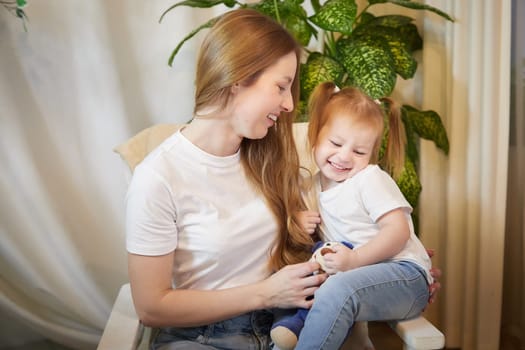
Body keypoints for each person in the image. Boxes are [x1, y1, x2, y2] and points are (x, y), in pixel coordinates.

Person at [126, 8, 440, 350]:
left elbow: (342, 231)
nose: (290, 104)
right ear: (236, 77)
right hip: (205, 337)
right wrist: (264, 294)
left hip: (293, 323)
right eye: (281, 86)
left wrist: (396, 274)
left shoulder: (274, 156)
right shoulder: (158, 177)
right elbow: (151, 306)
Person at [271, 82, 434, 350]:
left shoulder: (369, 179)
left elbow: (398, 231)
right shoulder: (312, 187)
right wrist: (297, 220)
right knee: (301, 286)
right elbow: (298, 239)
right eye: (335, 143)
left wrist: (355, 259)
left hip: (406, 276)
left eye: (359, 152)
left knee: (337, 290)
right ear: (316, 135)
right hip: (358, 281)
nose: (344, 156)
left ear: (371, 155)